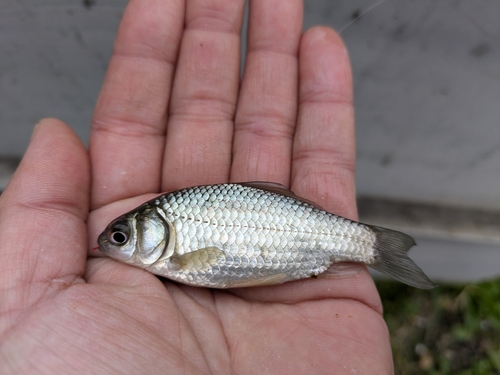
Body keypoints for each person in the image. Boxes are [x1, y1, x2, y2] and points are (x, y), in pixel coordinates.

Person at [0, 1, 394, 373]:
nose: (113, 243)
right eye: (118, 237)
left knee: (358, 242)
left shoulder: (177, 253)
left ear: (156, 230)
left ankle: (370, 245)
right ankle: (369, 245)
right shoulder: (171, 242)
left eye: (120, 237)